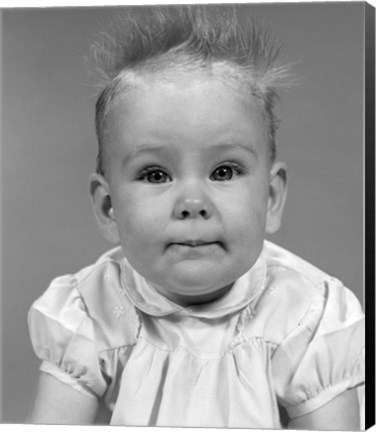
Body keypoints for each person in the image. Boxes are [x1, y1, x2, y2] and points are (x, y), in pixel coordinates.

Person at [27, 5, 364, 429]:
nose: (192, 202)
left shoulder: (308, 316)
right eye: (155, 174)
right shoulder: (89, 313)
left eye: (224, 172)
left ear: (271, 198)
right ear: (108, 207)